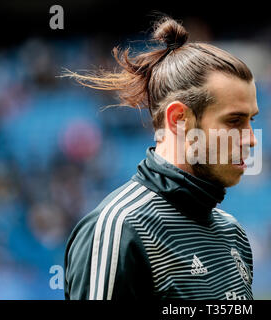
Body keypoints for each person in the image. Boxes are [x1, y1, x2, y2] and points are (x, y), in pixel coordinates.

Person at [64, 16, 259, 300]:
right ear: (179, 120)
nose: (252, 138)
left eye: (252, 120)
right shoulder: (122, 229)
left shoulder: (233, 234)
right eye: (234, 121)